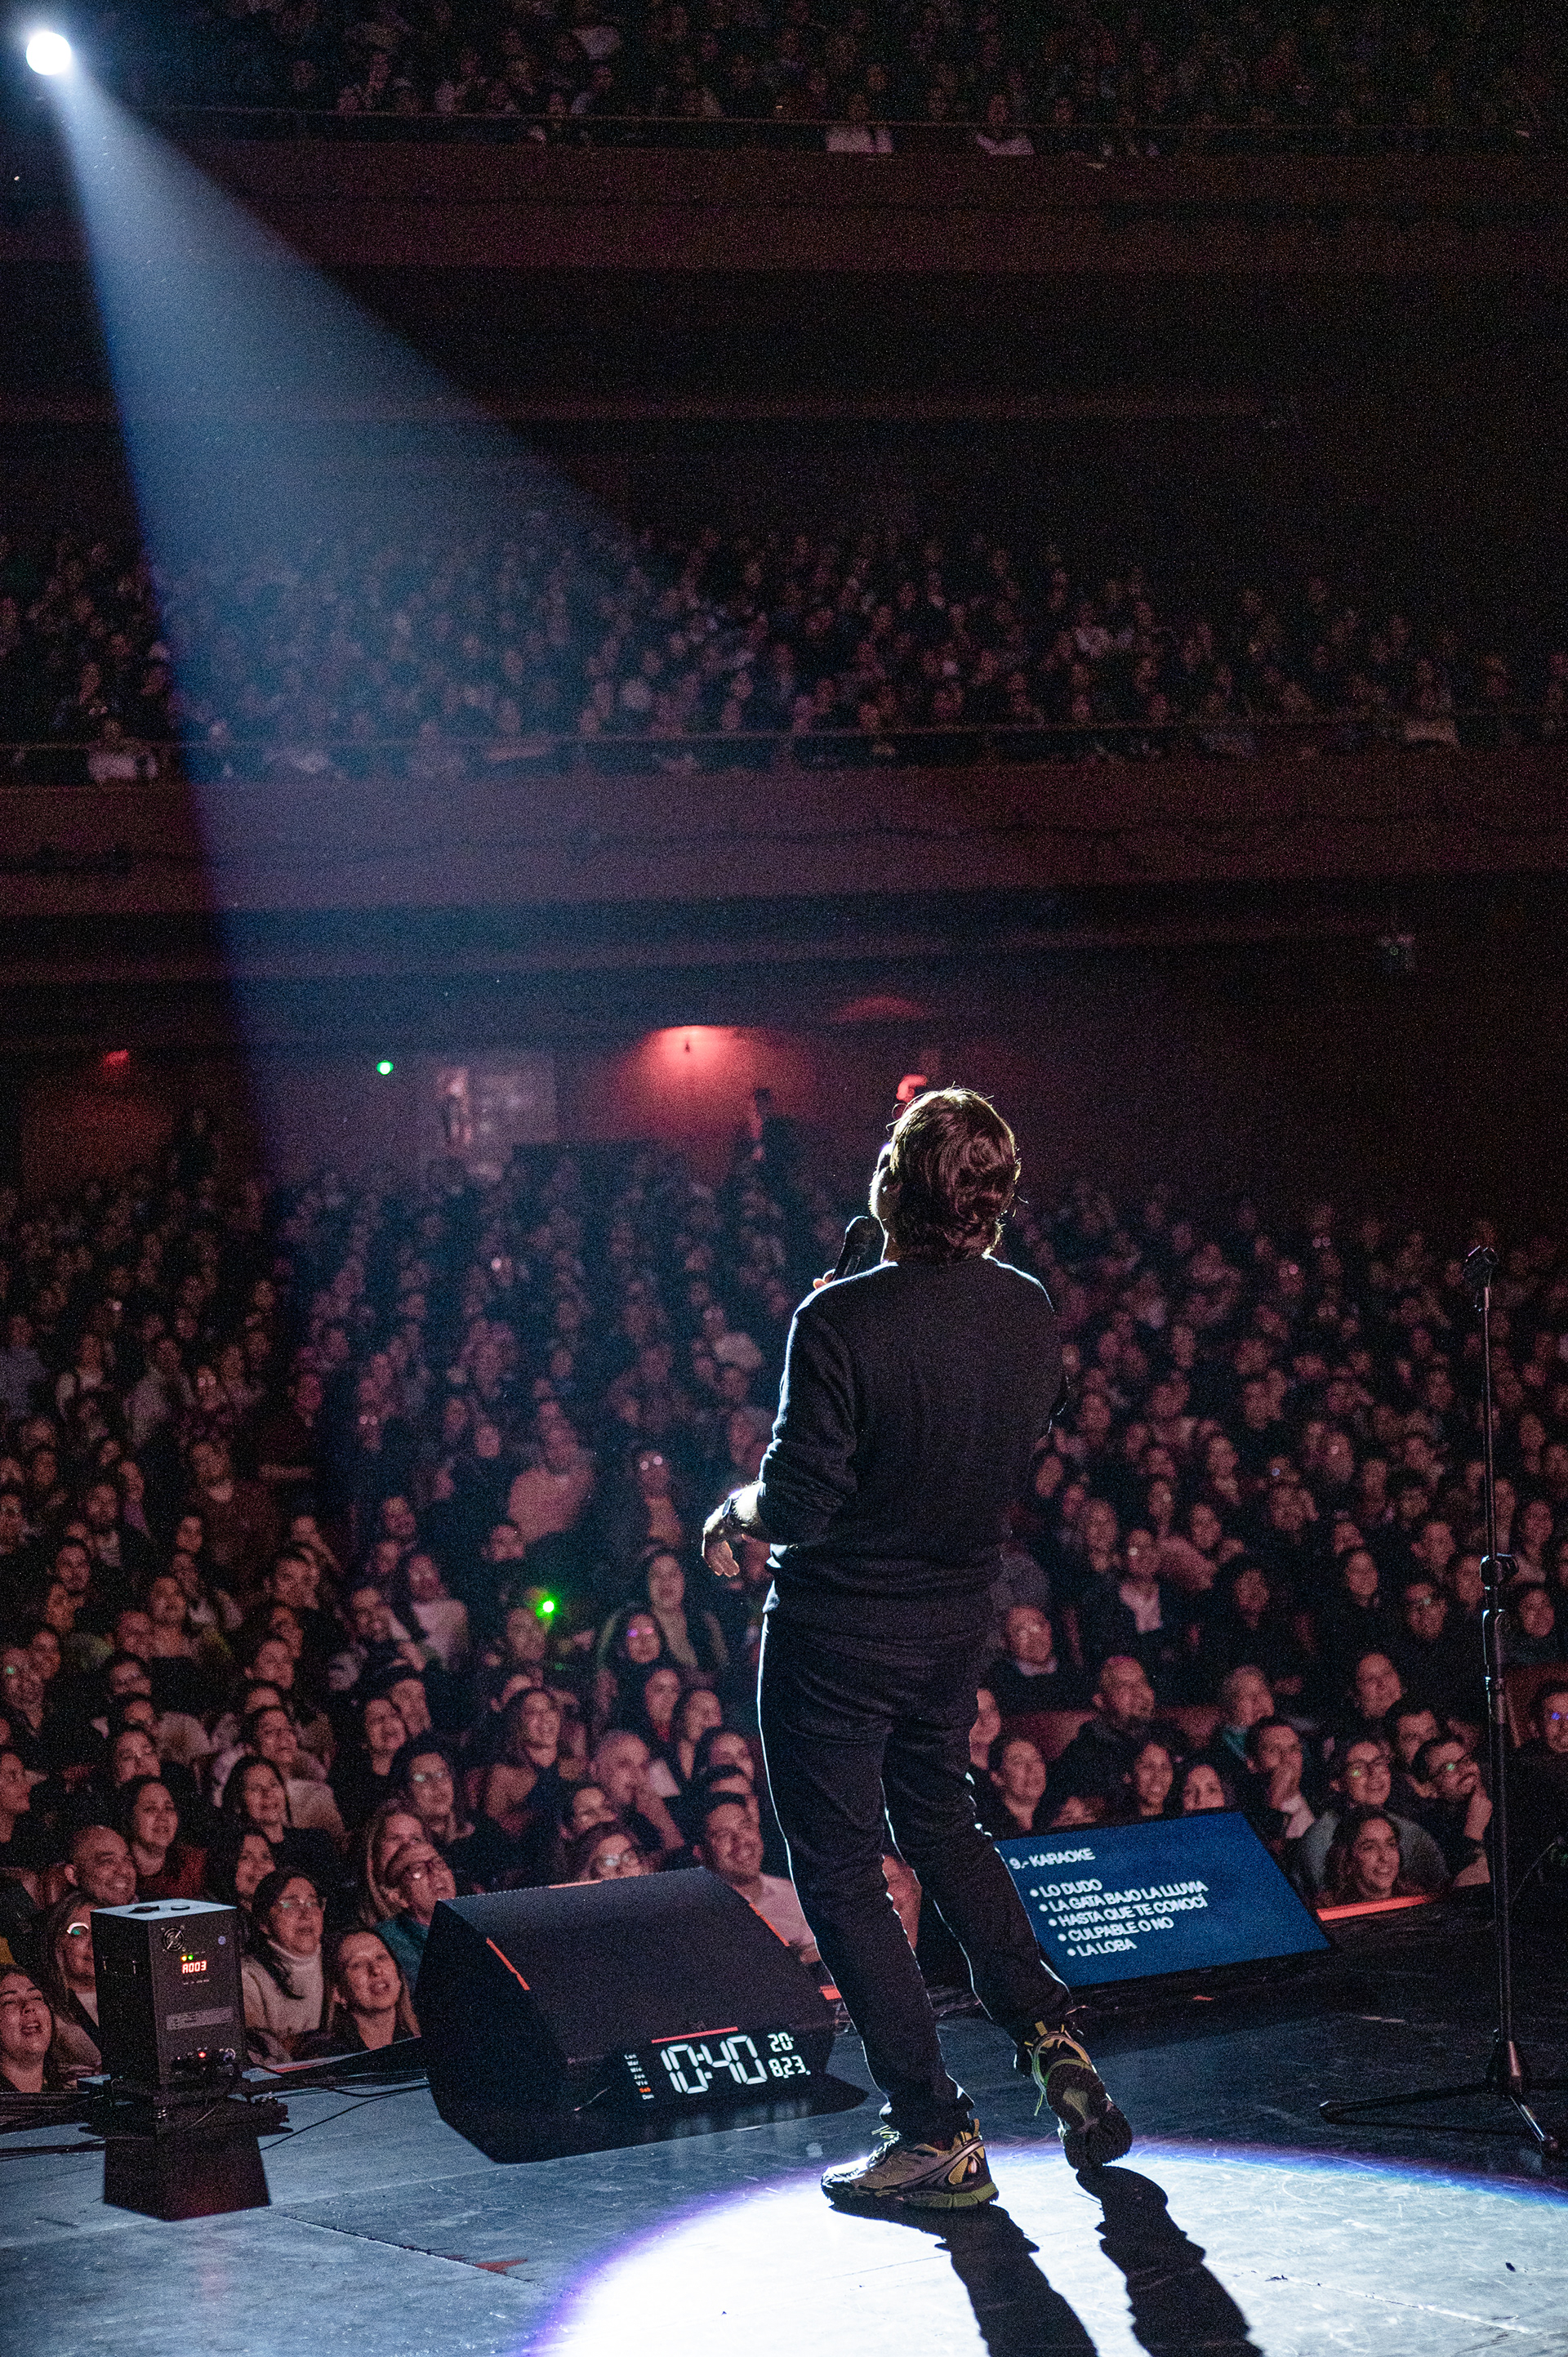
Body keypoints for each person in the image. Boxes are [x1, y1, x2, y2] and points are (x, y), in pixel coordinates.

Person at [704, 1089, 1130, 2211]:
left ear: (892, 1184)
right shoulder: (1027, 1306)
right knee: (943, 1824)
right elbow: (1009, 1422)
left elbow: (799, 1501)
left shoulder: (838, 1319)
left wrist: (734, 1509)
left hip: (836, 1635)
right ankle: (1049, 2032)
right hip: (953, 1622)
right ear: (995, 1197)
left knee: (841, 1870)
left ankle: (933, 2129)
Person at [693, 1793, 817, 1959]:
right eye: (723, 1835)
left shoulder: (790, 1892)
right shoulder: (704, 1917)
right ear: (700, 1853)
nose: (740, 1841)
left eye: (745, 1827)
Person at [240, 1870, 329, 2057]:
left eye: (312, 1903)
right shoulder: (248, 1976)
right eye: (290, 1904)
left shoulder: (338, 1959)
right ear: (263, 1922)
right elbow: (259, 2051)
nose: (306, 1914)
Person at [297, 1929, 420, 2056]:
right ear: (337, 1992)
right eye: (358, 1964)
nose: (376, 1970)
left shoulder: (423, 2037)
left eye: (381, 1957)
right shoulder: (324, 2053)